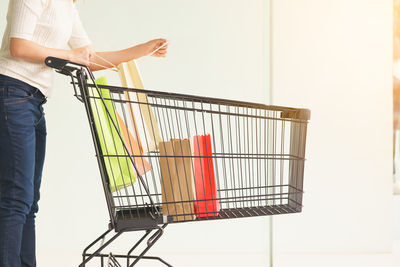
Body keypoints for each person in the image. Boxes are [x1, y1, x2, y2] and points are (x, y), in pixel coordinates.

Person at [0, 0, 169, 266]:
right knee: (16, 197)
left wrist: (141, 50)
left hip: (33, 100)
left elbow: (90, 59)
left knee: (29, 202)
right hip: (12, 91)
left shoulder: (68, 6)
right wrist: (70, 56)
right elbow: (17, 46)